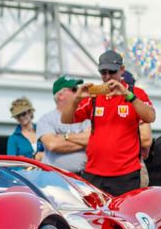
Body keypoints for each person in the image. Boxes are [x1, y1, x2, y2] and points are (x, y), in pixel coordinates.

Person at [61, 50, 155, 196]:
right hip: (94, 173)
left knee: (124, 217)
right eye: (103, 73)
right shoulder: (94, 96)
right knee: (93, 218)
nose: (107, 77)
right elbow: (65, 120)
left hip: (126, 174)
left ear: (122, 70)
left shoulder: (135, 93)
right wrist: (77, 98)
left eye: (112, 72)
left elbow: (150, 116)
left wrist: (127, 95)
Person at [37, 76, 89, 174]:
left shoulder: (86, 116)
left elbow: (91, 139)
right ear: (60, 95)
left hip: (82, 179)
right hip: (54, 178)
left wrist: (63, 137)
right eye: (74, 89)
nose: (79, 92)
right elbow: (52, 145)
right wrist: (83, 142)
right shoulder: (46, 119)